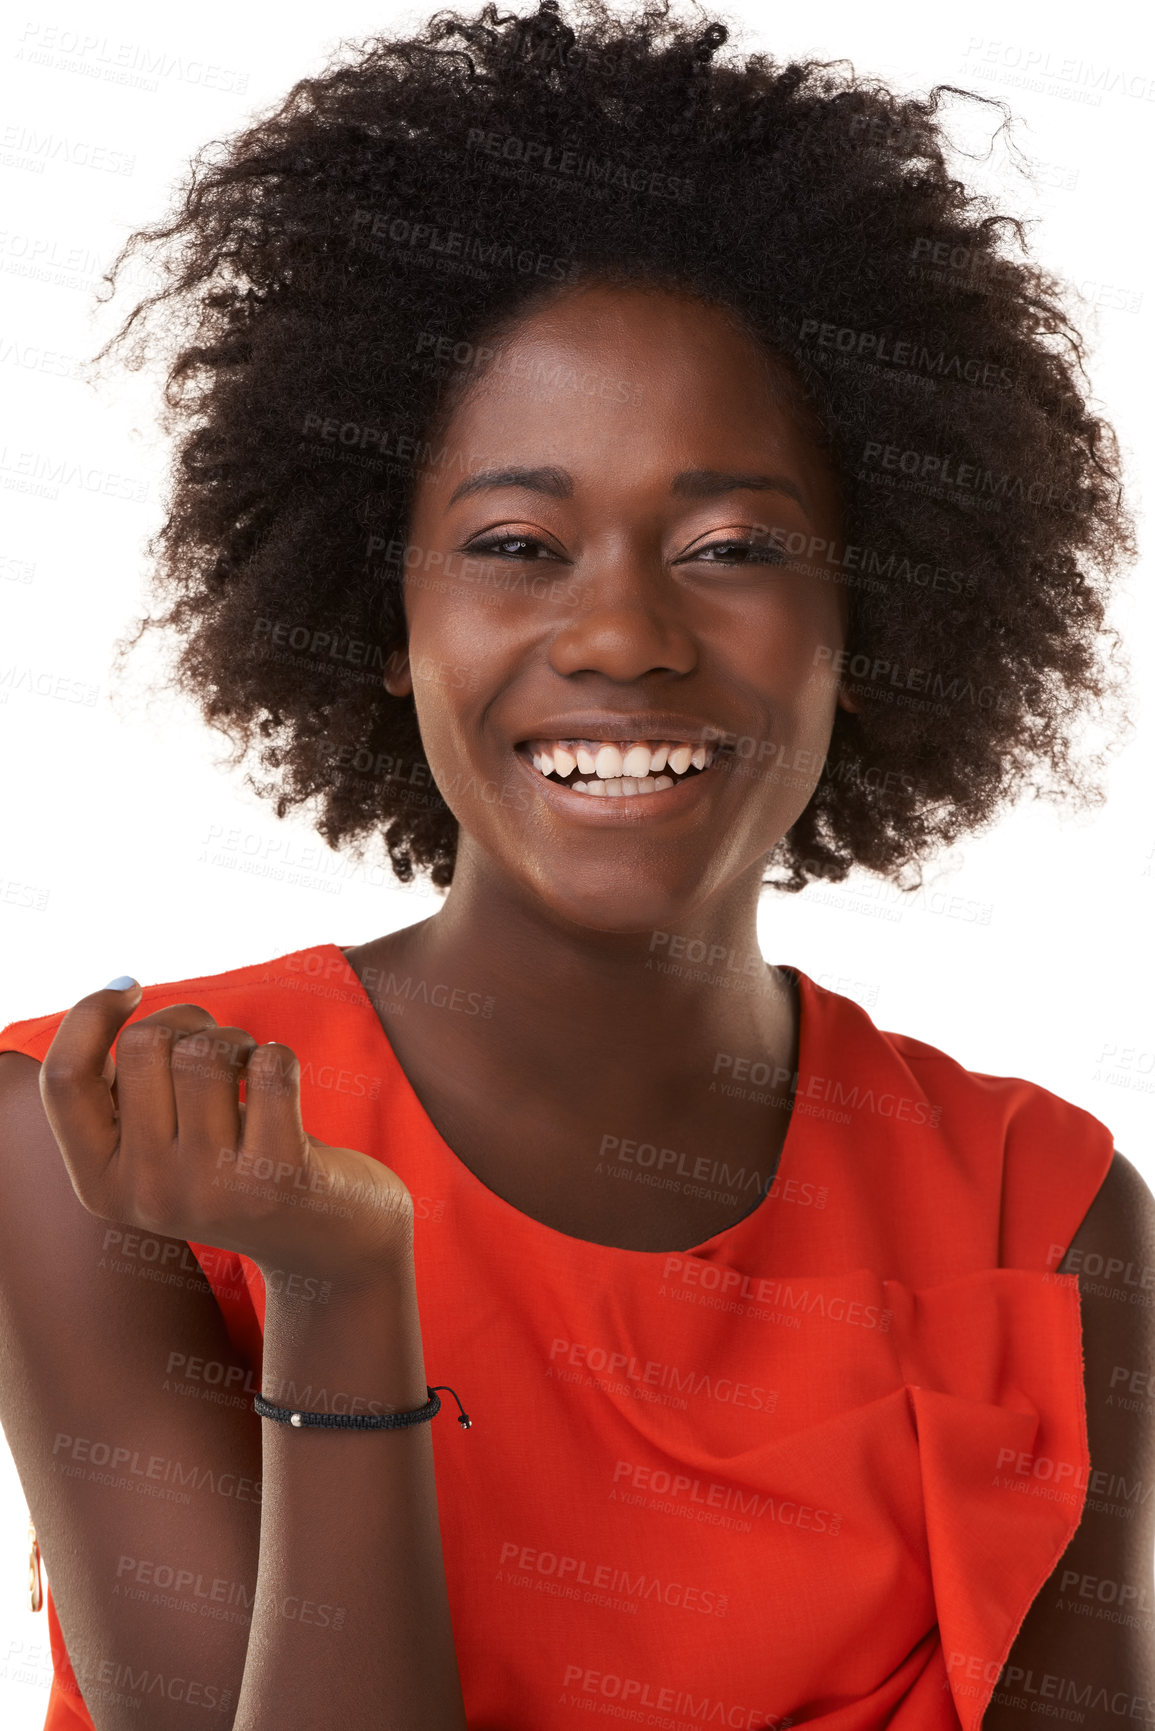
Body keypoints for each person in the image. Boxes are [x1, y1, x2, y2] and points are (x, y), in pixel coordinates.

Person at [0, 1, 1150, 1727]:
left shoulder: (1048, 1223)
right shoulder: (112, 1143)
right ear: (383, 615)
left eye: (733, 546)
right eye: (516, 545)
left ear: (872, 614)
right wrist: (335, 1289)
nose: (621, 631)